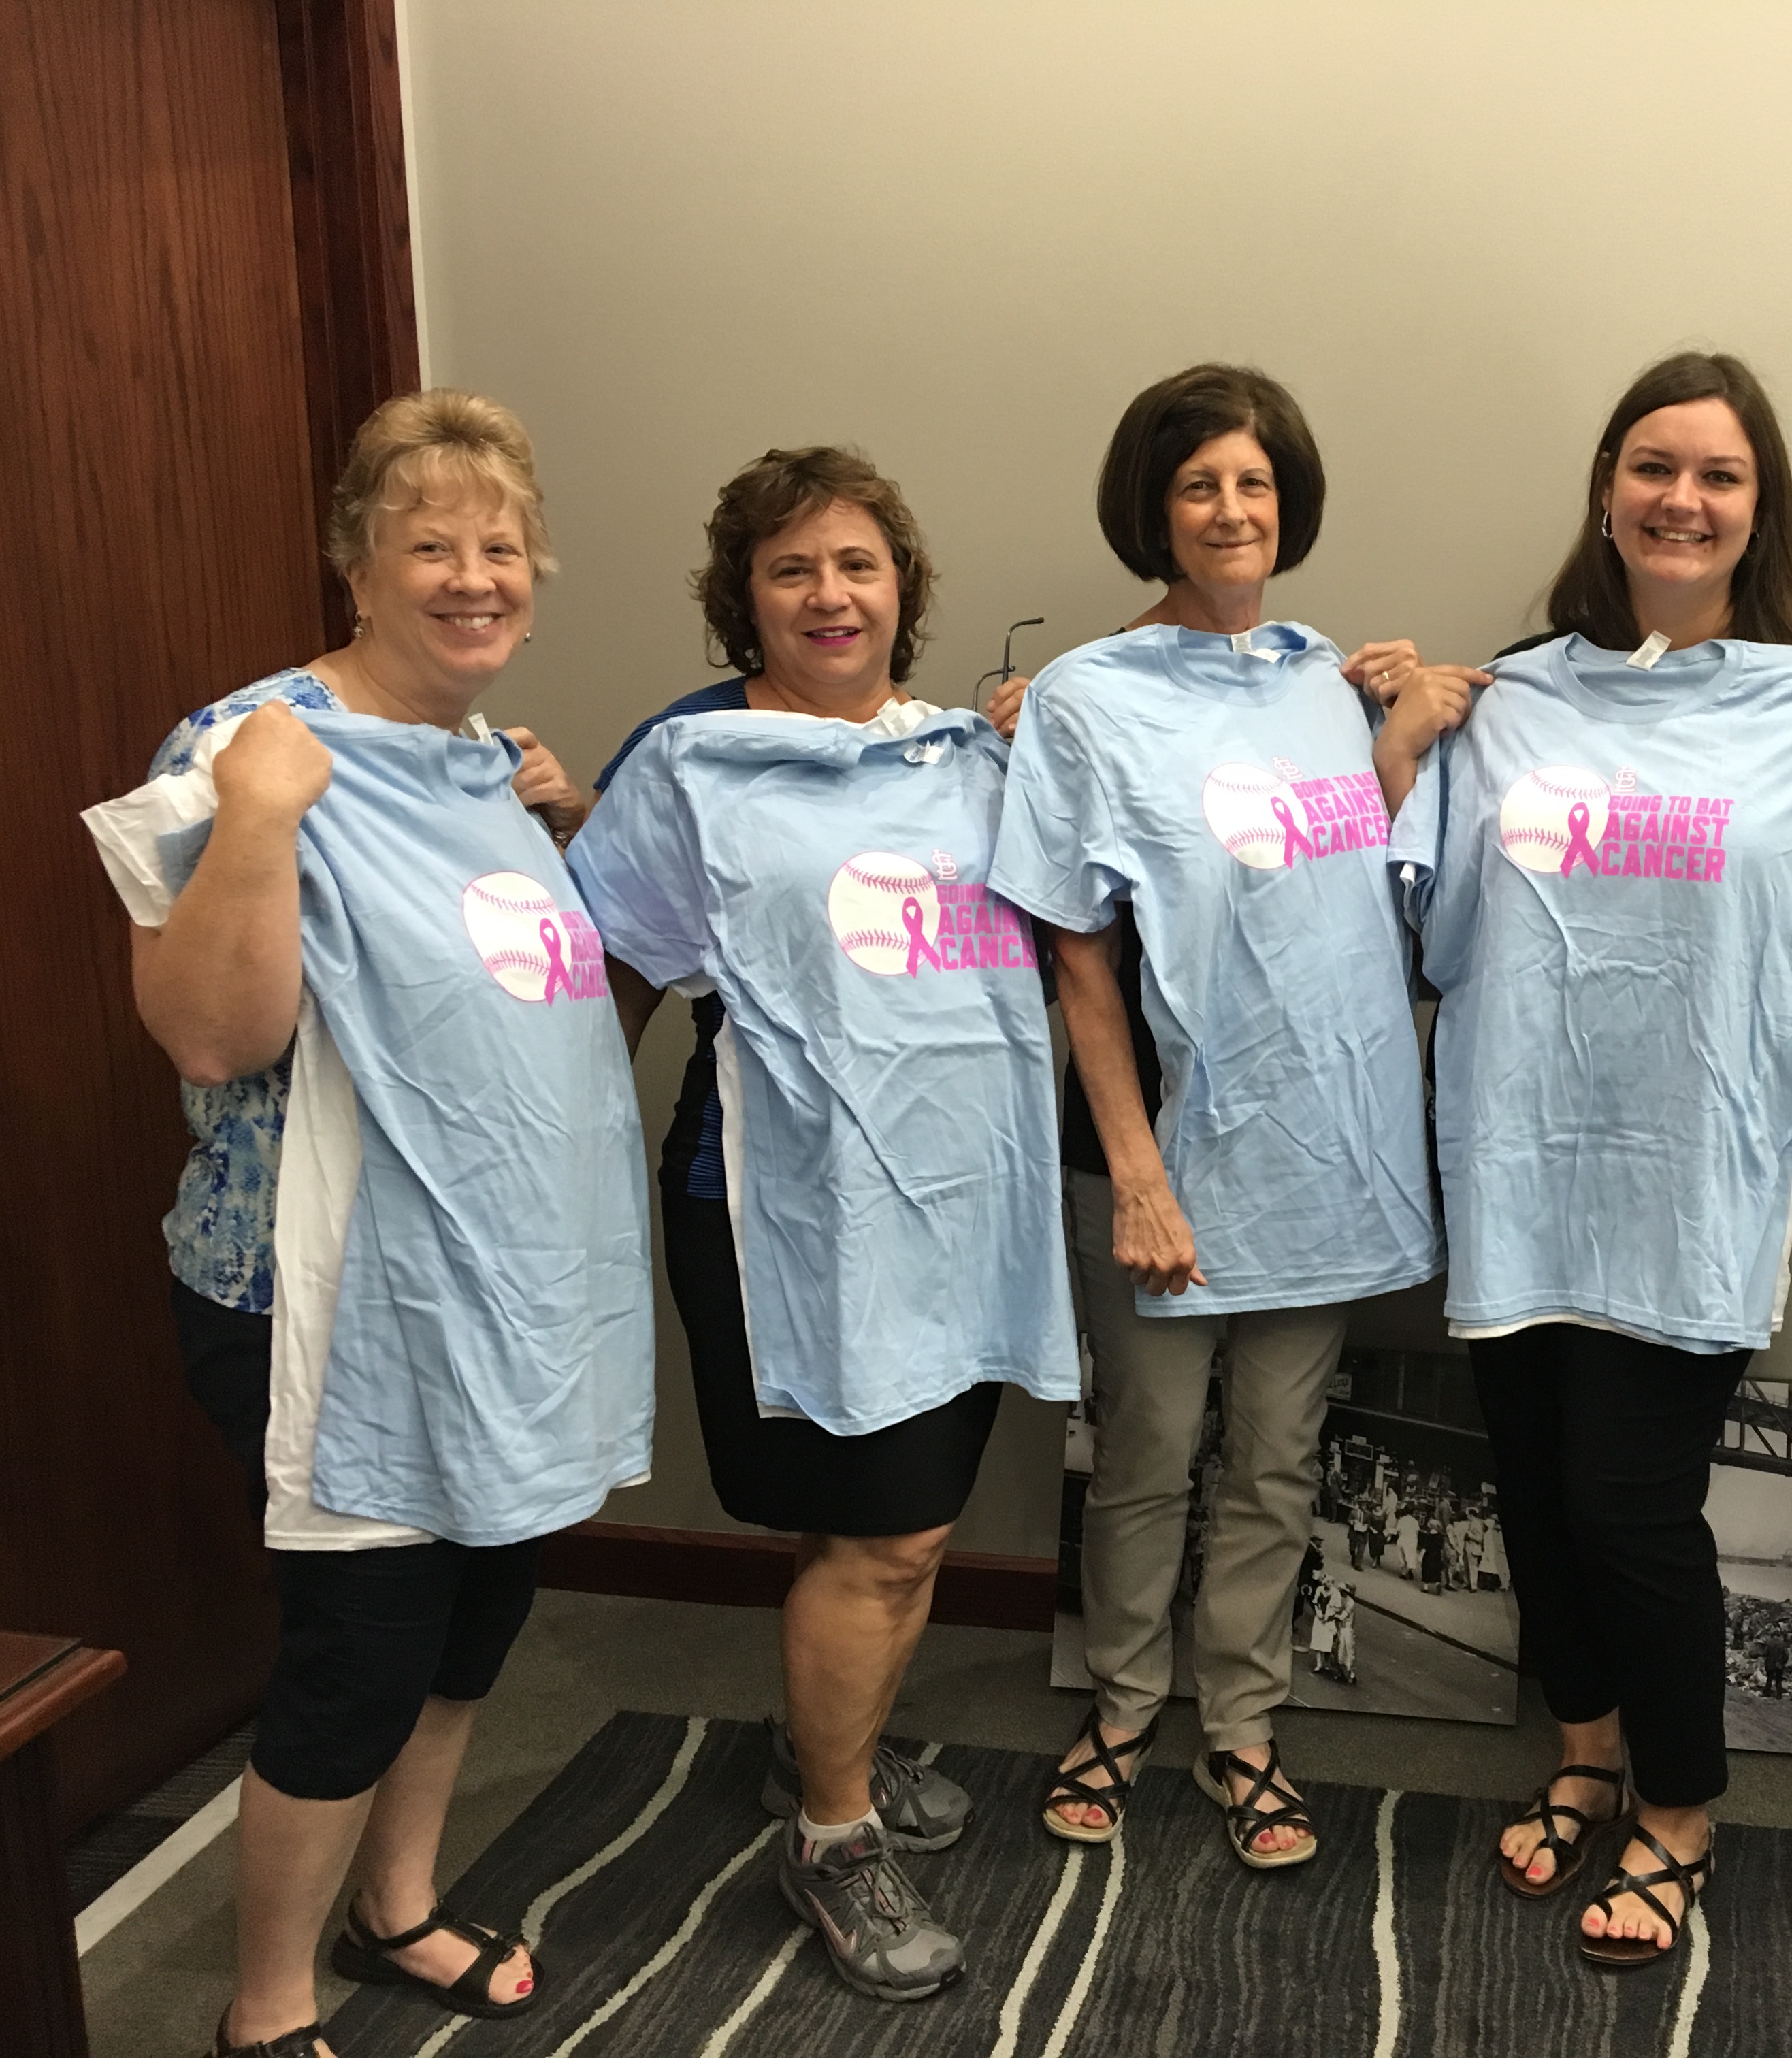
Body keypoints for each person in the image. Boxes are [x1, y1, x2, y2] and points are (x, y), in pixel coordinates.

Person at [83, 391, 653, 2058]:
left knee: (480, 1617)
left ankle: (395, 1904)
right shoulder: (249, 742)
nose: (474, 576)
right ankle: (265, 2013)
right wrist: (258, 814)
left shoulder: (484, 763)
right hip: (328, 1300)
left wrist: (539, 821)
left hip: (505, 1292)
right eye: (432, 545)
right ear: (357, 562)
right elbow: (209, 1034)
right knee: (363, 1648)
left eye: (501, 546)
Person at [1385, 350, 1792, 1966]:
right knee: (1541, 1491)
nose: (1681, 499)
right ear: (1607, 489)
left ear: (1757, 506)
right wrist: (1401, 763)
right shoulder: (1510, 699)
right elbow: (1421, 937)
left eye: (1716, 475)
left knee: (1631, 1504)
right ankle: (1585, 1753)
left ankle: (1683, 1806)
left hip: (1698, 1172)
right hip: (1518, 1162)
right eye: (1653, 466)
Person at [571, 446, 1079, 2005]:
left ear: (903, 591)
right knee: (891, 1529)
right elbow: (612, 976)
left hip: (963, 1203)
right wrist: (559, 1172)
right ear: (747, 599)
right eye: (792, 570)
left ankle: (828, 1743)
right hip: (776, 1204)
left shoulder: (971, 758)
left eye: (857, 565)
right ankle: (837, 1833)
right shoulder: (693, 761)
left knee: (874, 1530)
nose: (829, 595)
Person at [998, 364, 1471, 1869]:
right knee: (1145, 1451)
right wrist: (1136, 1176)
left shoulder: (1324, 679)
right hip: (1171, 1158)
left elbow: (1346, 895)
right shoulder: (1084, 701)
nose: (1230, 510)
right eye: (1199, 484)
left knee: (1277, 1461)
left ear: (1291, 504)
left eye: (1255, 484)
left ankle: (1243, 1727)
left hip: (1319, 1155)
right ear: (1153, 508)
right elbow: (1076, 956)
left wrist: (1399, 743)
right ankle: (1126, 1707)